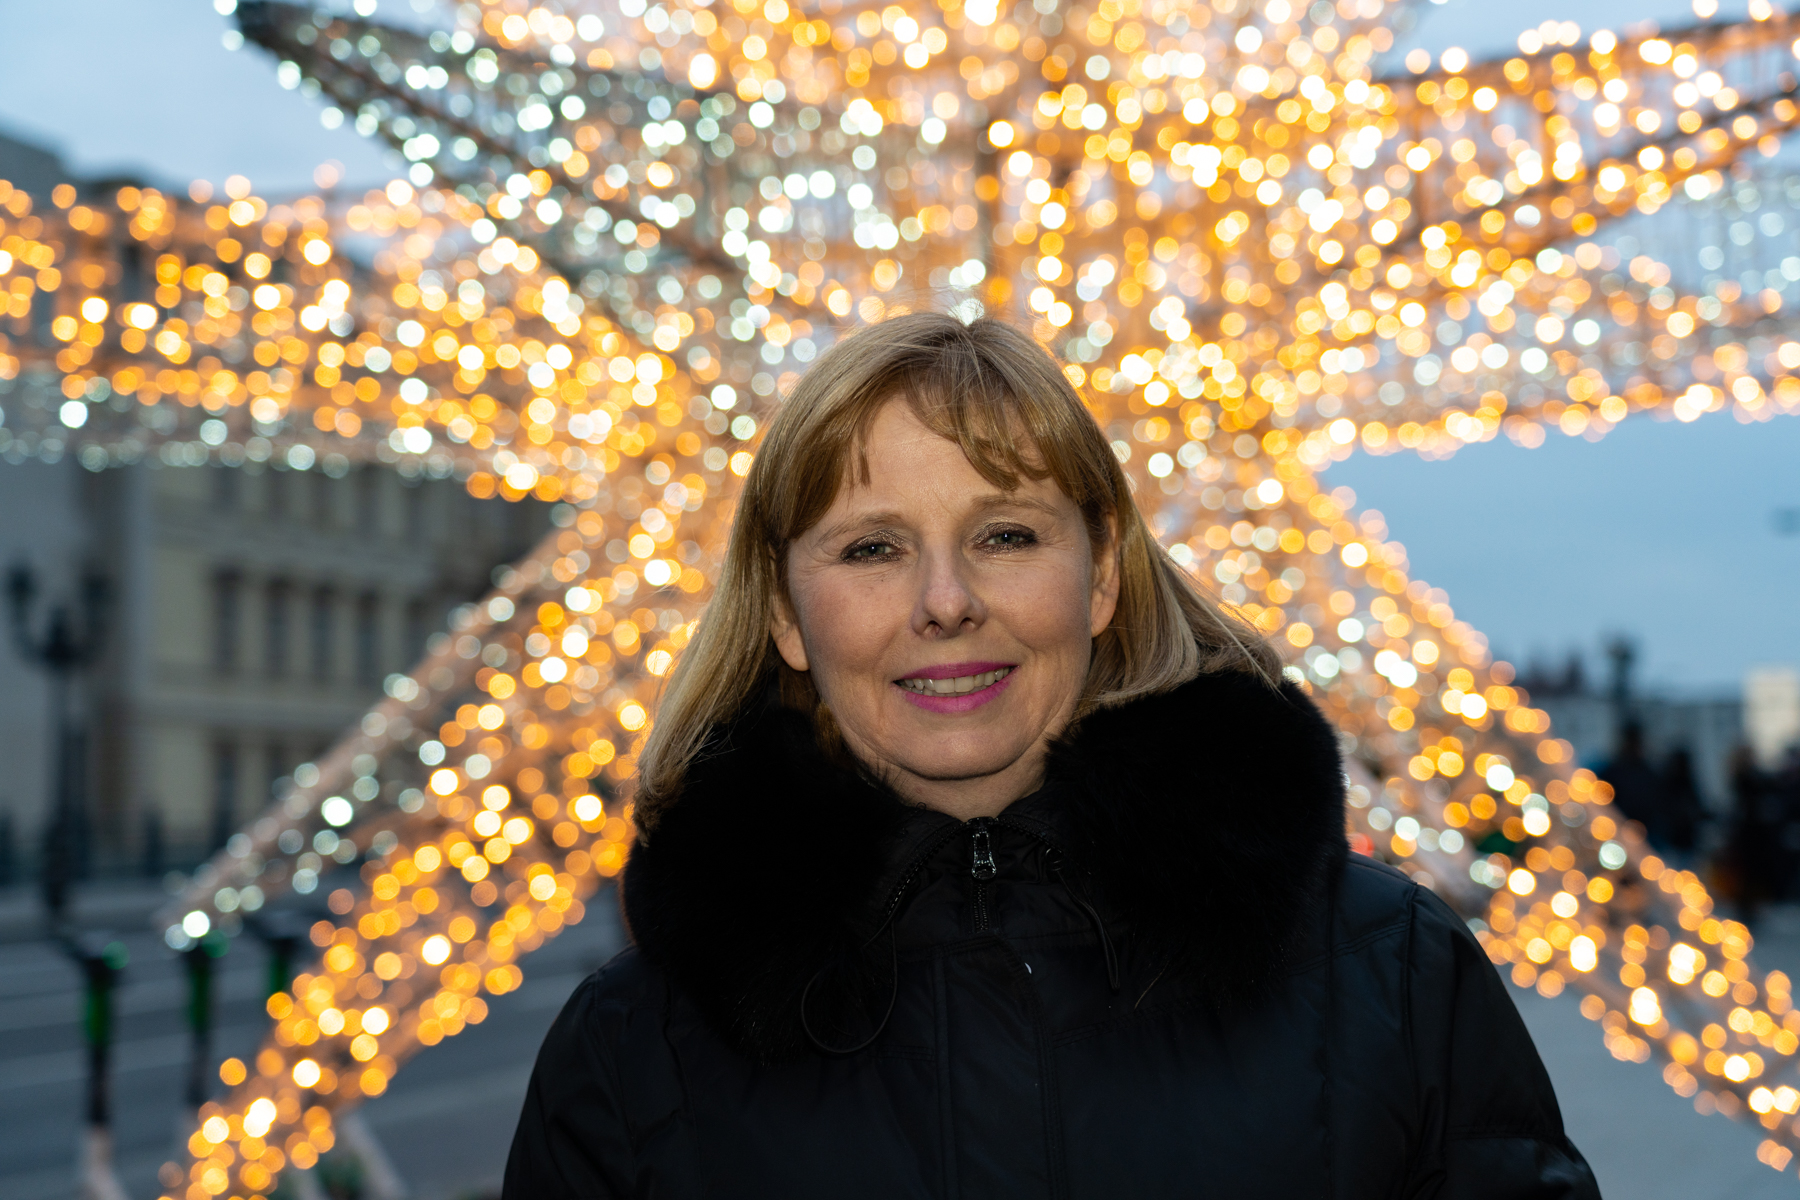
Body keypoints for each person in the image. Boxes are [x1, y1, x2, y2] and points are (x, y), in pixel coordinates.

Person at [503, 313, 1595, 1198]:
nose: (946, 603)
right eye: (873, 548)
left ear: (1102, 573)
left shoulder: (1386, 974)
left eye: (1006, 535)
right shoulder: (633, 1049)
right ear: (788, 613)